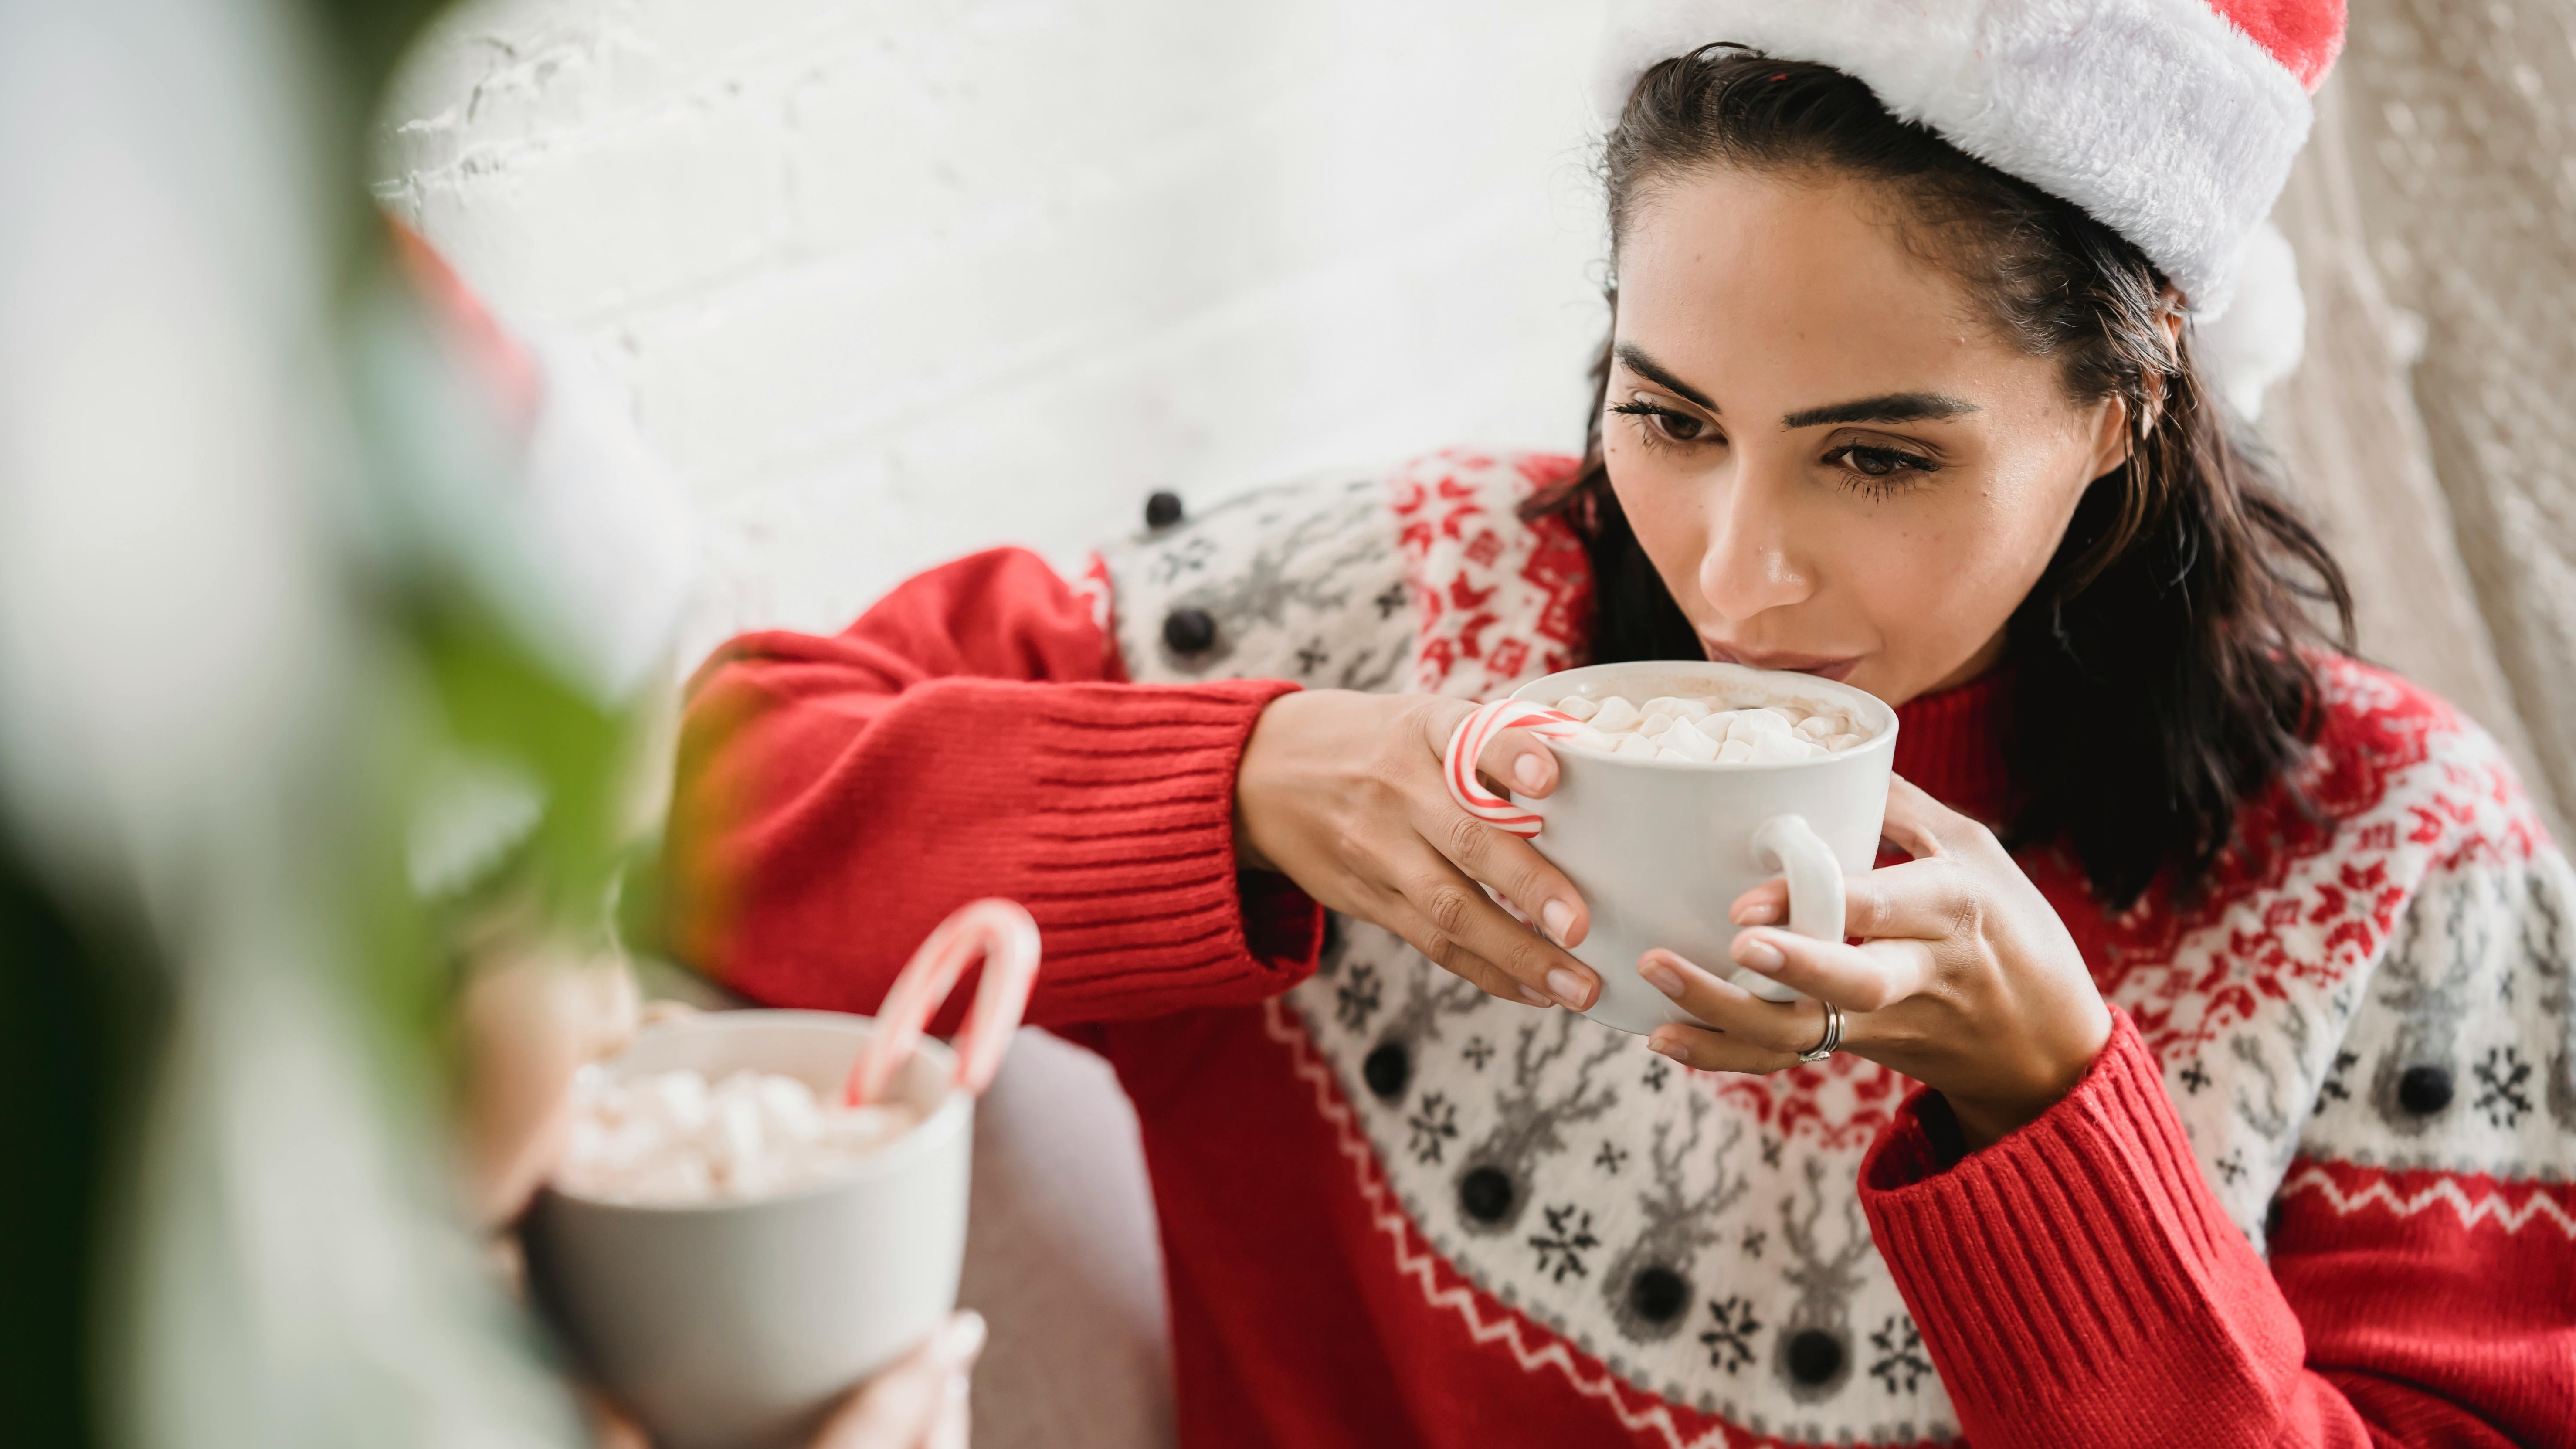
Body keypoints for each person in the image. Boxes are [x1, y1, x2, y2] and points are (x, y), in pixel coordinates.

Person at [660, 3, 2576, 1445]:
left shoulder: (2394, 863)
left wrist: (2053, 1108)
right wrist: (1238, 783)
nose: (1740, 576)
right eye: (1668, 417)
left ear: (2126, 398)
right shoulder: (1396, 617)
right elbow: (702, 796)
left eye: (1880, 455)